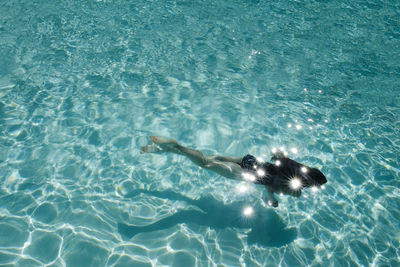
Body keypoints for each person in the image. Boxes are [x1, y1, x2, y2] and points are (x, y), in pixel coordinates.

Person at [141, 136, 327, 207]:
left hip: (251, 161)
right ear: (311, 184)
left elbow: (276, 157)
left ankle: (164, 149)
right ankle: (177, 145)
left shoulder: (291, 165)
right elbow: (271, 187)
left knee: (214, 159)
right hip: (247, 175)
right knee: (205, 163)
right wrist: (272, 202)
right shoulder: (295, 189)